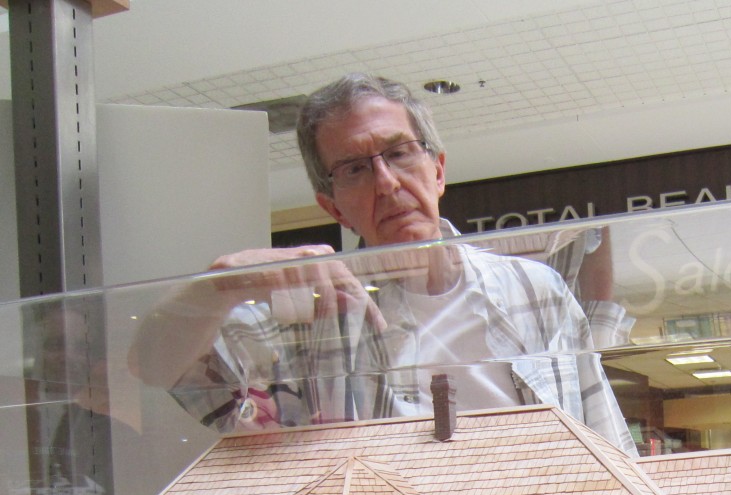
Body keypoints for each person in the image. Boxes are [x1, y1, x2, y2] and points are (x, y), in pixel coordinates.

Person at [129, 73, 636, 455]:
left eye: (398, 153)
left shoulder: (533, 289)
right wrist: (222, 281)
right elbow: (154, 366)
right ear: (332, 207)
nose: (387, 183)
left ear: (437, 171)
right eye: (354, 169)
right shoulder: (306, 317)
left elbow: (608, 442)